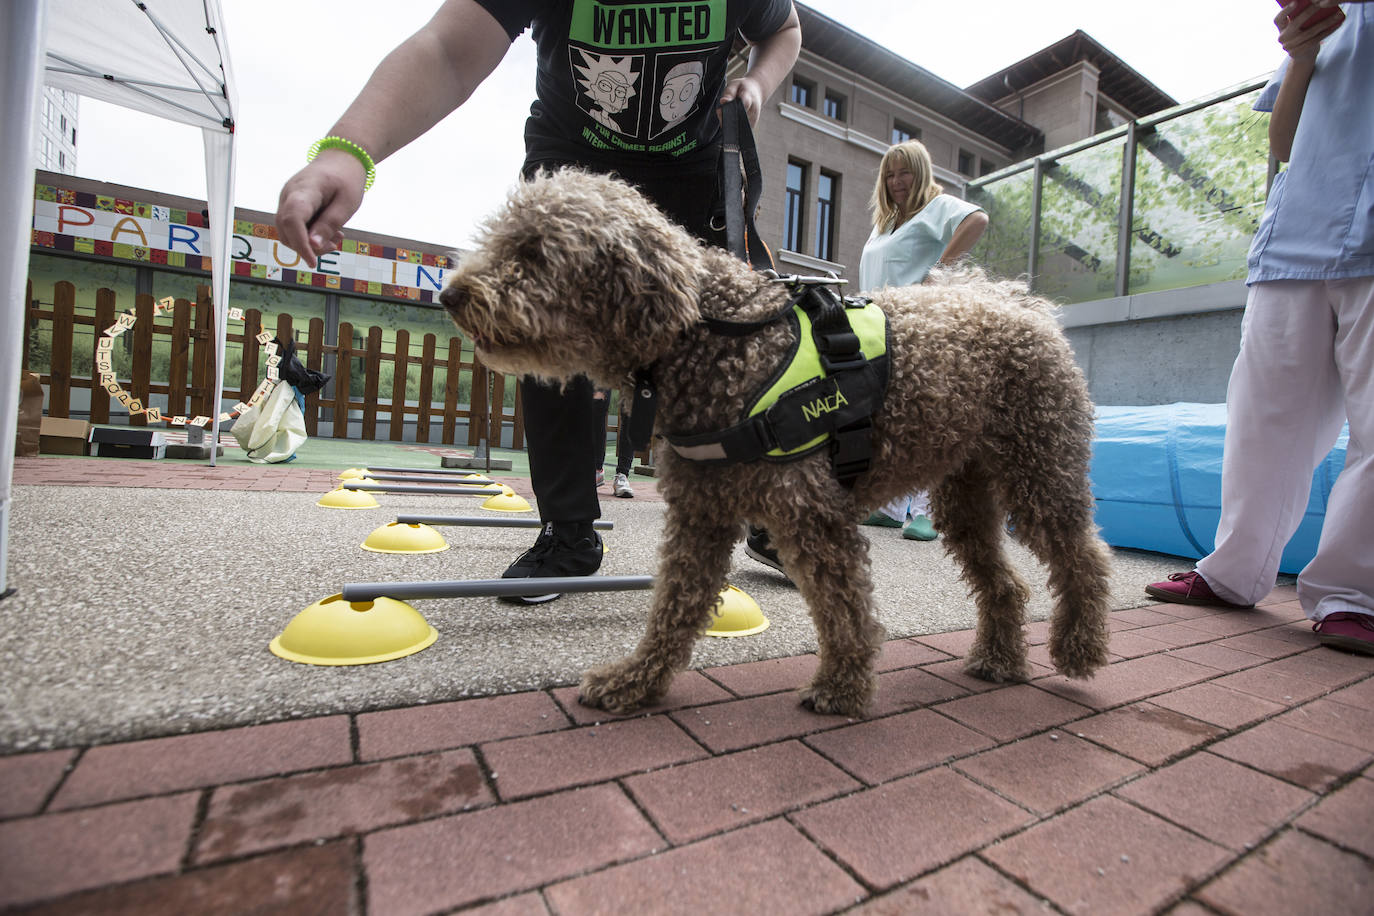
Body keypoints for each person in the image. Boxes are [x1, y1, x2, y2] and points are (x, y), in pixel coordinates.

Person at [276, 1, 802, 603]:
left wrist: (757, 84)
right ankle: (568, 531)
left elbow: (785, 30)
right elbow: (449, 50)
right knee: (543, 329)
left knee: (736, 335)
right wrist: (350, 150)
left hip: (694, 165)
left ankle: (767, 513)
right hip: (573, 156)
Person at [1145, 0, 1373, 656]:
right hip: (1299, 234)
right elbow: (1283, 142)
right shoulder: (1337, 12)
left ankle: (1353, 597)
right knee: (1263, 417)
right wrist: (1301, 54)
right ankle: (1233, 571)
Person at [856, 138, 988, 542]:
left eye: (905, 172)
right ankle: (890, 506)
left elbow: (978, 220)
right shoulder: (885, 222)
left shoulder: (937, 206)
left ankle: (931, 511)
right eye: (890, 174)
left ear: (921, 172)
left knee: (926, 416)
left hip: (920, 327)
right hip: (880, 326)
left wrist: (939, 270)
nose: (897, 181)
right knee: (889, 415)